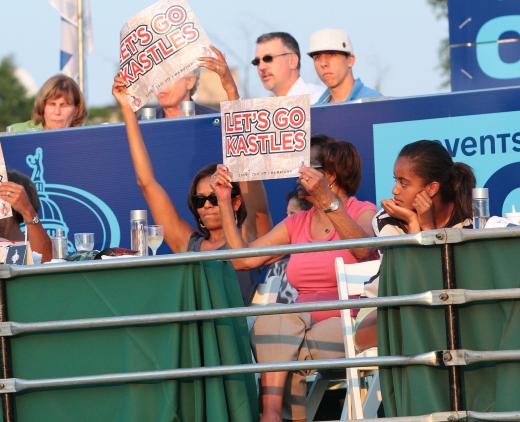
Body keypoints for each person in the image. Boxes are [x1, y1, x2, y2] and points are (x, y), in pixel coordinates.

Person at [211, 137, 378, 422]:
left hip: (347, 321)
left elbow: (363, 249)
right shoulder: (297, 222)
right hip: (298, 324)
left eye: (307, 166)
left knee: (280, 338)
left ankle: (271, 410)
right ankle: (273, 413)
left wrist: (328, 202)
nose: (298, 173)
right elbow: (242, 260)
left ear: (330, 175)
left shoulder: (363, 210)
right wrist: (225, 202)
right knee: (273, 318)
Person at [112, 55, 272, 305]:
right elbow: (146, 183)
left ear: (235, 202)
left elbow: (248, 166)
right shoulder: (190, 244)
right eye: (200, 200)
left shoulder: (249, 234)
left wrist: (230, 89)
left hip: (241, 333)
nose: (207, 205)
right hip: (199, 333)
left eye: (213, 197)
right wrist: (127, 108)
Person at [355, 140, 476, 356]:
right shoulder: (386, 220)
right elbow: (411, 282)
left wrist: (427, 227)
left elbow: (450, 282)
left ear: (431, 188)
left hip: (441, 312)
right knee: (420, 322)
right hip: (386, 308)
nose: (394, 190)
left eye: (403, 183)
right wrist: (414, 223)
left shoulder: (467, 221)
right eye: (396, 181)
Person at [152, 46, 236, 118]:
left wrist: (230, 89)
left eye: (168, 78)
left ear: (190, 82)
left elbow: (239, 133)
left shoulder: (211, 120)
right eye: (156, 77)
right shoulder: (142, 124)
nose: (160, 85)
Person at [307, 28, 383, 104]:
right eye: (317, 57)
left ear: (350, 60)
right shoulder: (314, 111)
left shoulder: (375, 102)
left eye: (332, 55)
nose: (323, 63)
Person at [253, 32, 322, 103]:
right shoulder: (263, 110)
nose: (261, 67)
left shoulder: (320, 100)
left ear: (292, 61)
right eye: (257, 62)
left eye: (268, 59)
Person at [7, 74, 87, 132]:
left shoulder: (86, 140)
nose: (57, 112)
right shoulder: (15, 132)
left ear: (76, 110)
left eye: (64, 105)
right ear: (42, 106)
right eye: (52, 104)